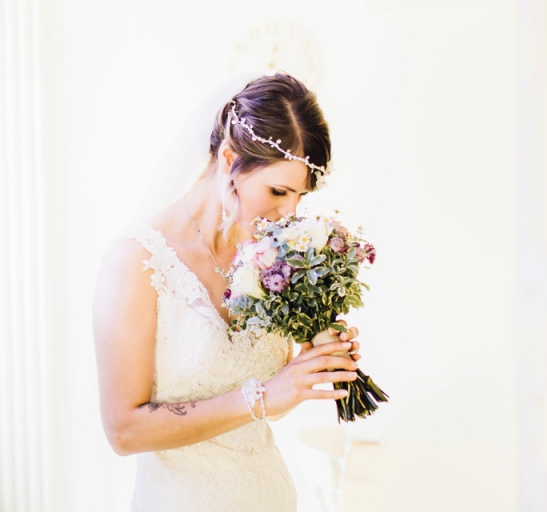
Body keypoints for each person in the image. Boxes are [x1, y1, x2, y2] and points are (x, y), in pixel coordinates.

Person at [93, 73, 362, 512]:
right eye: (277, 191)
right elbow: (124, 431)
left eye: (300, 197)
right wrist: (263, 397)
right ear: (229, 159)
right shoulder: (136, 262)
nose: (289, 214)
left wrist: (309, 369)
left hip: (271, 496)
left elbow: (270, 401)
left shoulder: (273, 259)